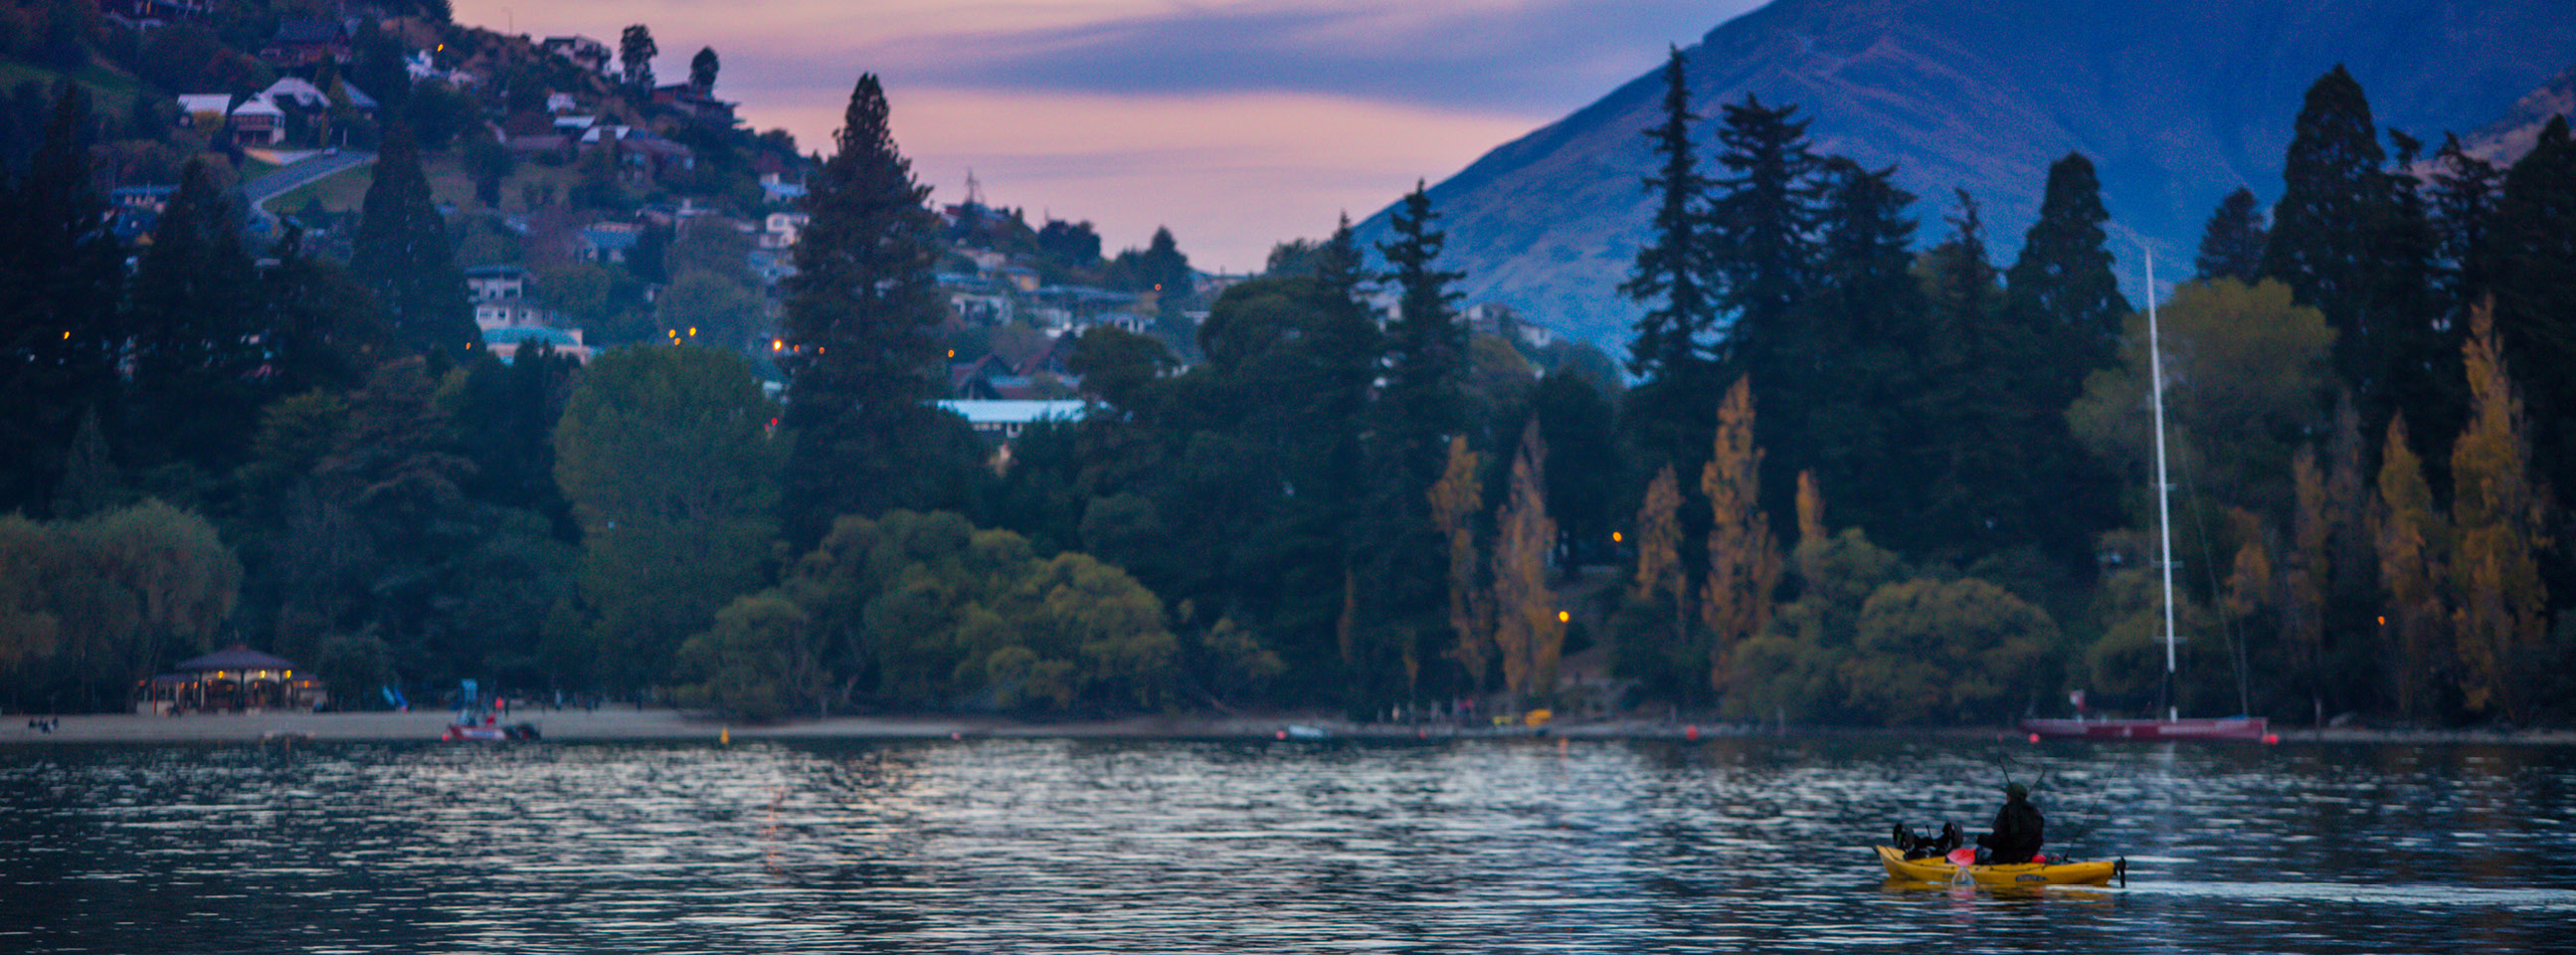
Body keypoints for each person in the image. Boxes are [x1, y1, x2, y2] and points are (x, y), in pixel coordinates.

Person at [1977, 782, 2045, 864]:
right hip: (2029, 857)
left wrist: (1981, 839)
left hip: (2006, 860)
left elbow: (1998, 840)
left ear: (2009, 796)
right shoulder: (2034, 811)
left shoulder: (2007, 811)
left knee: (1980, 851)